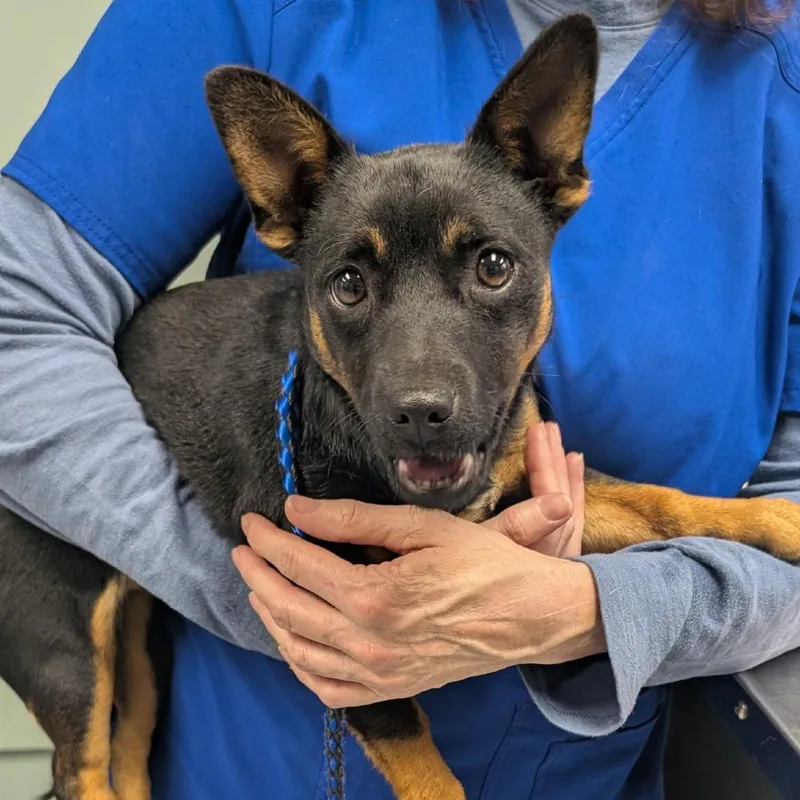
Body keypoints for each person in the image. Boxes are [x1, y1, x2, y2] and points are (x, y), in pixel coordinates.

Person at [1, 0, 799, 797]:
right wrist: (292, 600)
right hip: (234, 767)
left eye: (490, 268)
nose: (422, 391)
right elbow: (16, 317)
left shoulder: (779, 80)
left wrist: (591, 611)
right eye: (350, 283)